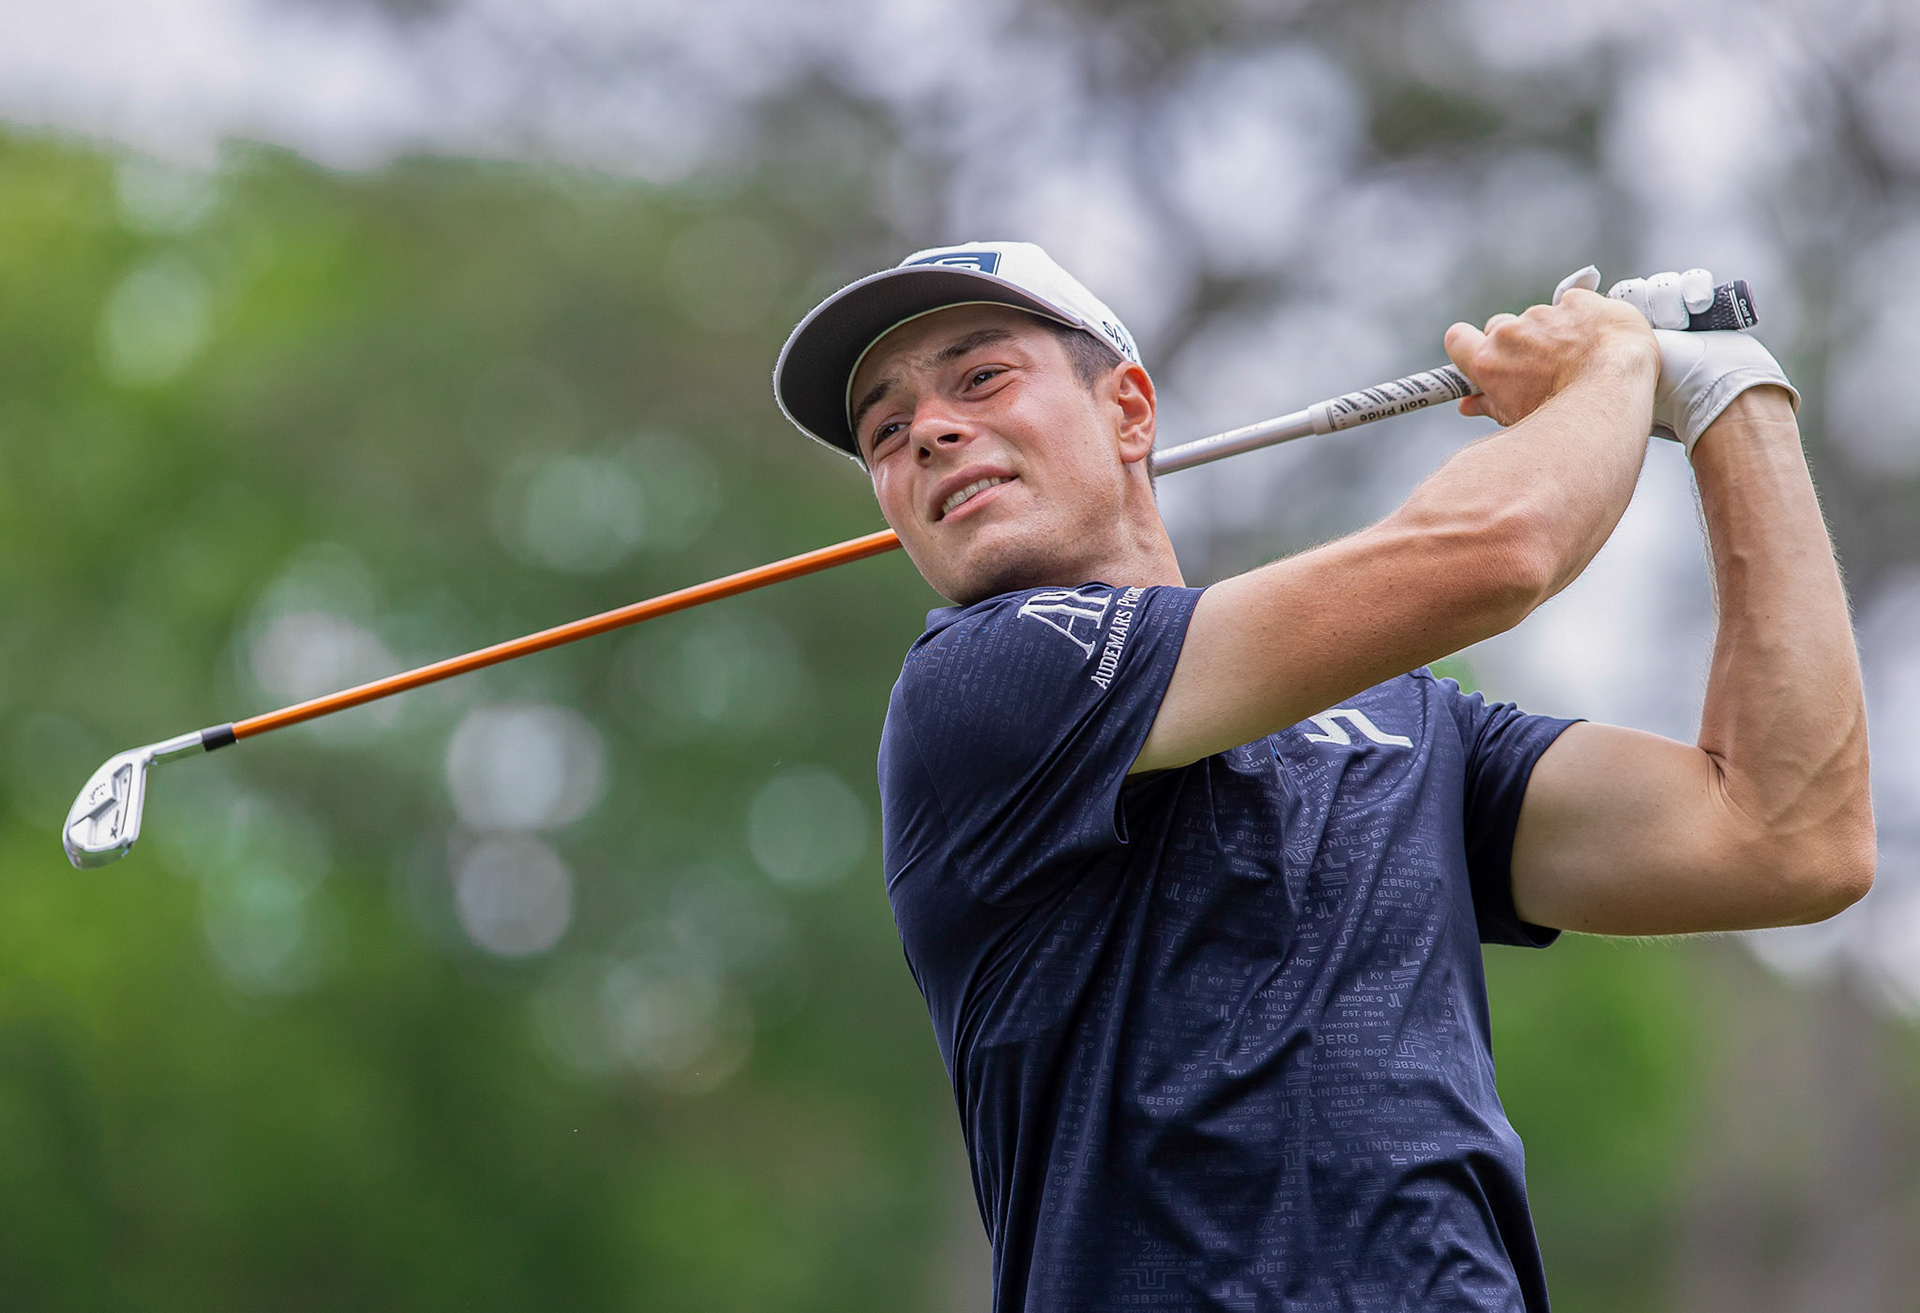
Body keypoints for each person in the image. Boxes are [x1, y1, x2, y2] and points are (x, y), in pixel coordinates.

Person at [771, 243, 1874, 1311]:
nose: (930, 432)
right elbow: (1498, 551)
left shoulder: (1410, 719)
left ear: (1129, 413)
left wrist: (1734, 400)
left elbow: (1787, 835)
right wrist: (1616, 362)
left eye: (980, 378)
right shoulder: (978, 682)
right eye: (886, 430)